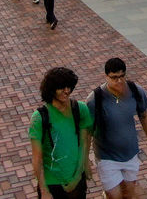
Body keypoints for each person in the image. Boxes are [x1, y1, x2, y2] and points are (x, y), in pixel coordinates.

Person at [87, 58, 147, 199]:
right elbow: (87, 131)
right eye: (114, 78)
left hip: (131, 154)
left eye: (122, 76)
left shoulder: (136, 91)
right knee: (115, 196)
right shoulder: (95, 99)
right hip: (107, 157)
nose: (119, 81)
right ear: (106, 76)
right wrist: (85, 158)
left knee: (129, 194)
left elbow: (144, 117)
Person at [30, 67, 94, 199]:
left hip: (76, 181)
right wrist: (44, 190)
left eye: (69, 87)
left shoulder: (80, 109)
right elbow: (37, 158)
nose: (67, 91)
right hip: (52, 183)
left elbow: (84, 144)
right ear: (51, 89)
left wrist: (78, 176)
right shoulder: (40, 117)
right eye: (62, 87)